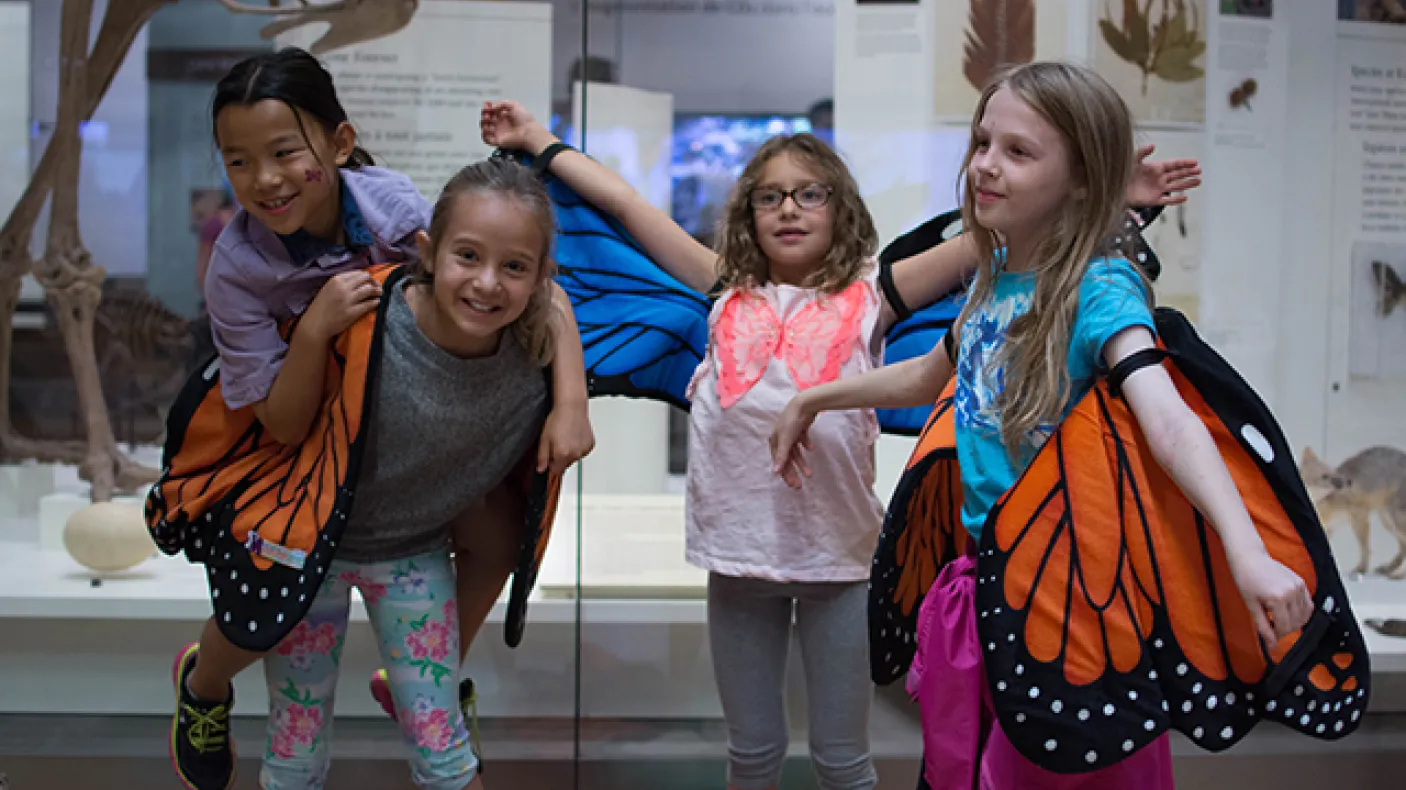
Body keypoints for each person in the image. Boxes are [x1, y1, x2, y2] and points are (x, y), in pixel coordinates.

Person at [479, 96, 1199, 790]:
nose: (788, 209)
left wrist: (1109, 201)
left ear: (841, 208)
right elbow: (628, 209)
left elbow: (995, 234)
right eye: (769, 197)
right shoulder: (721, 290)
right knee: (752, 753)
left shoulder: (871, 297)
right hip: (738, 563)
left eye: (810, 194)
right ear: (747, 215)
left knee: (842, 761)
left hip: (842, 567)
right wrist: (539, 139)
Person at [769, 61, 1314, 788]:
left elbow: (1171, 421)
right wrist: (812, 399)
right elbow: (930, 376)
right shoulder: (995, 279)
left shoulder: (1100, 287)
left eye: (1018, 152)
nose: (985, 166)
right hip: (987, 592)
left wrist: (1245, 550)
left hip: (1072, 612)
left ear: (1083, 179)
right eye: (983, 141)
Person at [165, 49, 593, 790]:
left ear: (336, 144)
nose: (263, 179)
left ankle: (425, 689)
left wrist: (570, 397)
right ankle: (202, 686)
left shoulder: (393, 209)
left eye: (283, 153)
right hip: (291, 476)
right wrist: (313, 328)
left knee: (493, 540)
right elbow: (281, 422)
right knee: (254, 641)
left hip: (405, 528)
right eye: (237, 162)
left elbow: (511, 271)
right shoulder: (236, 267)